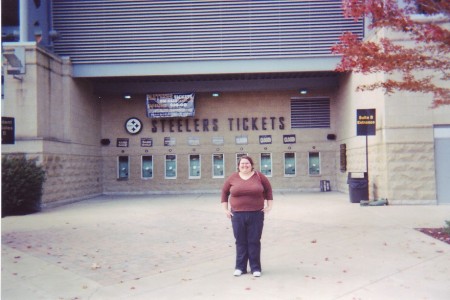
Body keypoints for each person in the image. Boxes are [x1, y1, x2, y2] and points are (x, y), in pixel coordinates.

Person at [221, 155, 273, 277]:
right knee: (240, 241)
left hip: (256, 214)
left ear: (251, 165)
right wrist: (225, 209)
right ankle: (240, 267)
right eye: (242, 164)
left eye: (247, 163)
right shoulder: (232, 178)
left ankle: (255, 268)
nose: (245, 165)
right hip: (237, 215)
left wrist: (269, 206)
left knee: (254, 241)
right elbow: (224, 192)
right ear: (238, 166)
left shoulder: (259, 176)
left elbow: (268, 190)